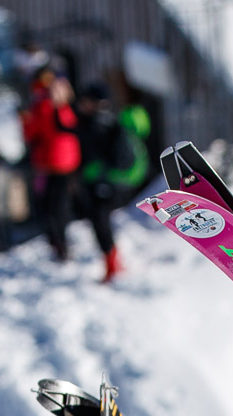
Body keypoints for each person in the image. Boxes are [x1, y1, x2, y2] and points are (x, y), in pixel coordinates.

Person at [74, 82, 145, 283]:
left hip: (103, 183)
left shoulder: (96, 125)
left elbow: (105, 157)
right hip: (105, 182)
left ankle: (113, 266)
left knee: (100, 222)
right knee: (100, 222)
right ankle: (112, 264)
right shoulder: (107, 121)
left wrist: (95, 172)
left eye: (84, 100)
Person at [20, 70, 80, 263]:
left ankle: (59, 245)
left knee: (50, 207)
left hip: (51, 162)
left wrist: (24, 120)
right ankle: (62, 243)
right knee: (61, 205)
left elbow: (31, 133)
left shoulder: (42, 107)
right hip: (70, 161)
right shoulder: (66, 106)